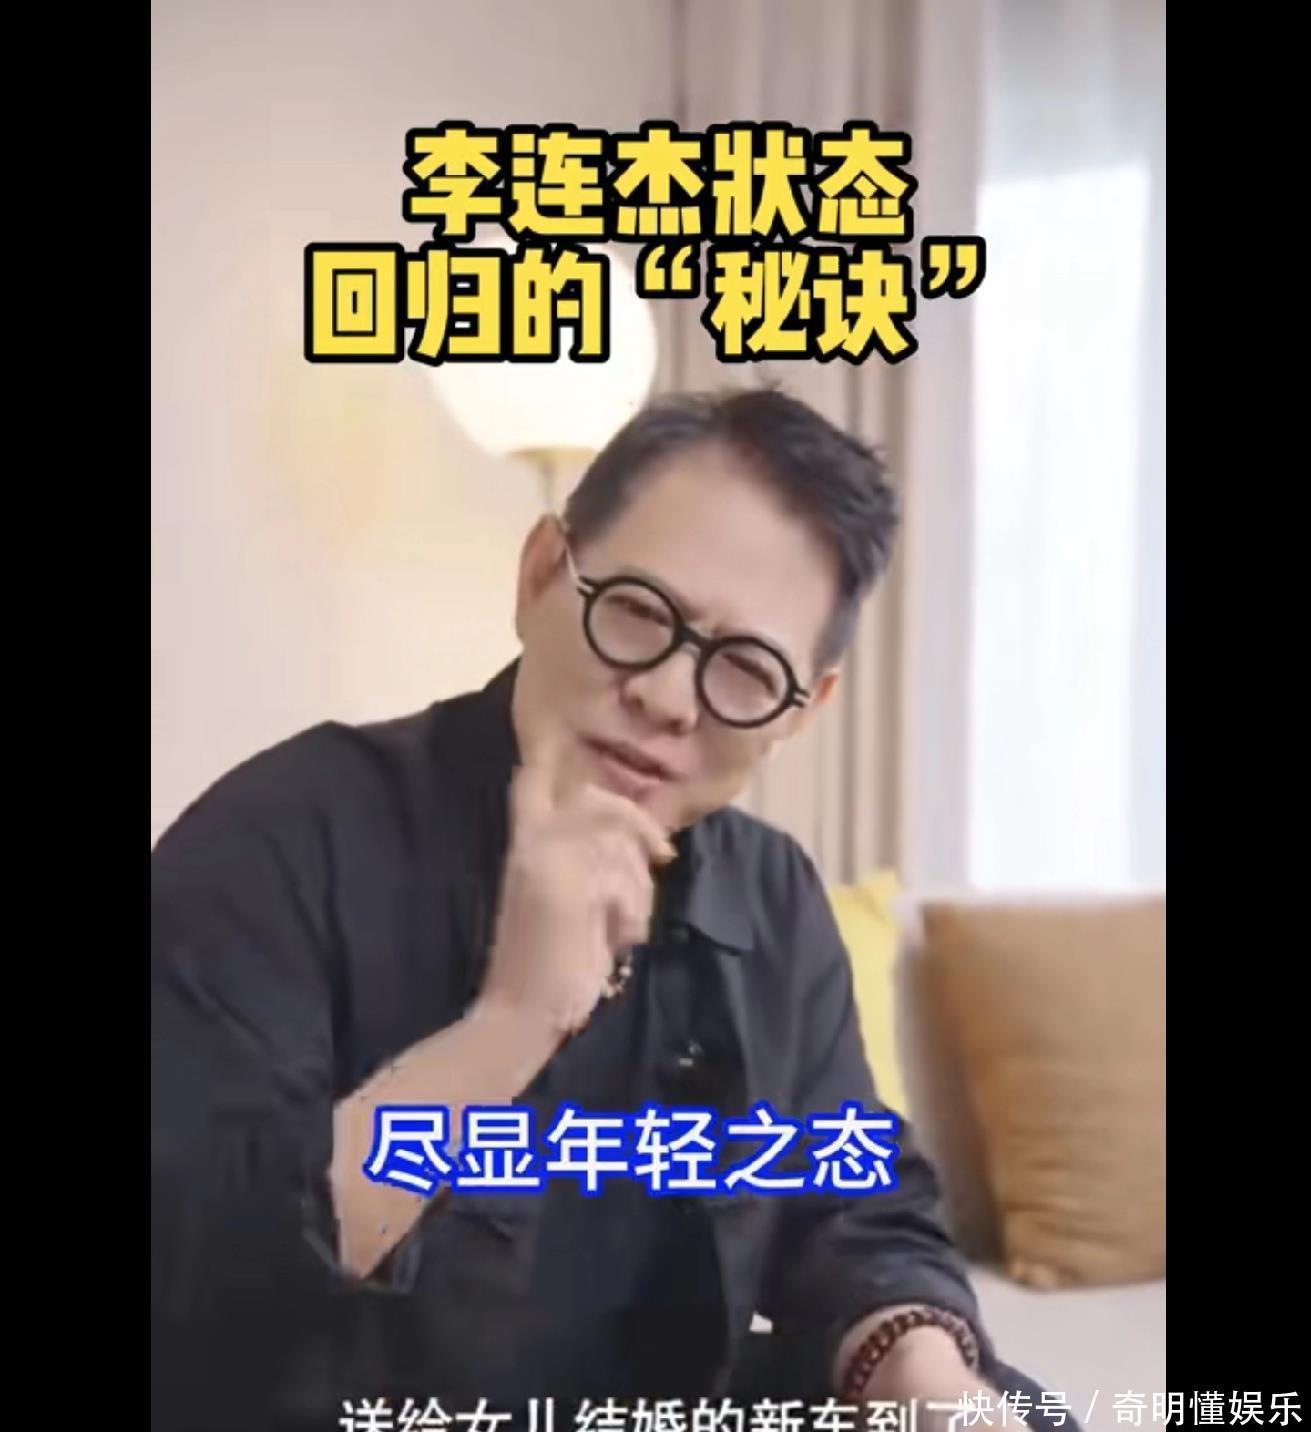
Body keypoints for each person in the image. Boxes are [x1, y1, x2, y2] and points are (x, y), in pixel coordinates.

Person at [152, 388, 1075, 1432]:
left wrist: (923, 1376)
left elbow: (849, 1203)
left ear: (802, 709)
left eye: (746, 668)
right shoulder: (284, 834)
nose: (669, 698)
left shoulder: (771, 892)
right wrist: (510, 1024)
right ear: (542, 573)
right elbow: (203, 1276)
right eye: (638, 611)